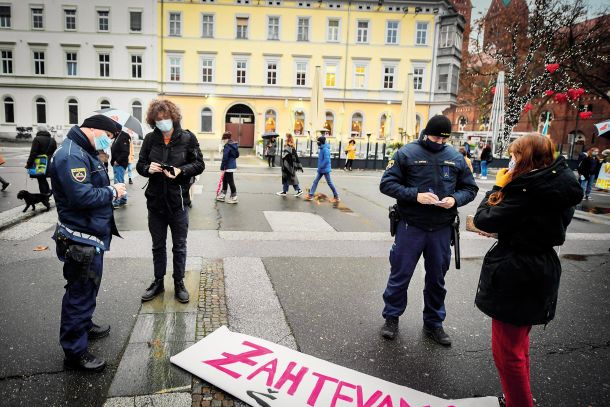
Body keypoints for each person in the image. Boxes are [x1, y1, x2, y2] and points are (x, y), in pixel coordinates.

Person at [473, 134, 582, 407]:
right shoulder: (557, 185)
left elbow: (483, 217)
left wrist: (497, 187)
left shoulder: (527, 189)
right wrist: (508, 228)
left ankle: (519, 403)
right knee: (519, 345)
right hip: (540, 265)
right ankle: (517, 397)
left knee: (506, 352)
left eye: (515, 155)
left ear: (527, 158)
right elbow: (535, 223)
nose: (511, 160)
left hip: (518, 271)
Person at [379, 115, 478, 345]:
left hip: (441, 228)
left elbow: (470, 188)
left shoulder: (455, 157)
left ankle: (434, 324)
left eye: (444, 139)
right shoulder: (406, 153)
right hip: (410, 225)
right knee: (400, 275)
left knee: (437, 279)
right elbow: (387, 184)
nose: (439, 143)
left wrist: (454, 199)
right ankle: (391, 319)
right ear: (426, 133)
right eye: (435, 137)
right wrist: (416, 196)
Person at [49, 114, 126, 372]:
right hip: (80, 237)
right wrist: (113, 191)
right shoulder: (71, 155)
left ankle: (84, 325)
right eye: (108, 137)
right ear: (94, 130)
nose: (109, 142)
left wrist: (103, 161)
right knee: (79, 294)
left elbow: (90, 183)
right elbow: (81, 197)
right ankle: (75, 353)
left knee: (87, 287)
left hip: (90, 234)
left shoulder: (84, 150)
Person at [137, 99, 204, 304]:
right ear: (153, 121)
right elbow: (140, 164)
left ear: (173, 118)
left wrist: (181, 171)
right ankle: (158, 282)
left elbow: (199, 164)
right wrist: (147, 169)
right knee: (158, 246)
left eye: (166, 118)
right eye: (158, 119)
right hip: (155, 203)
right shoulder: (150, 139)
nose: (163, 122)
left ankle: (179, 283)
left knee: (179, 246)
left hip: (178, 203)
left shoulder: (187, 138)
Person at [304, 135, 340, 203]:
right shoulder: (322, 148)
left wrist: (320, 166)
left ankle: (336, 197)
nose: (317, 143)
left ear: (321, 142)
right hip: (321, 169)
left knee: (329, 183)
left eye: (318, 141)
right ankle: (310, 195)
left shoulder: (325, 149)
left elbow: (327, 160)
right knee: (315, 181)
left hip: (325, 169)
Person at [25, 125, 57, 195]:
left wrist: (28, 164)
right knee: (46, 179)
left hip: (40, 163)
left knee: (41, 179)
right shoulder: (52, 139)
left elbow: (33, 153)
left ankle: (45, 196)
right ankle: (48, 193)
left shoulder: (37, 139)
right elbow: (55, 153)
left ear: (38, 131)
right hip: (49, 163)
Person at [217, 132, 239, 204]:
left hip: (227, 166)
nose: (223, 141)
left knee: (230, 181)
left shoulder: (227, 146)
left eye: (224, 139)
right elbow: (237, 155)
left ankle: (234, 197)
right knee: (225, 180)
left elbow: (225, 158)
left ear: (226, 139)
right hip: (232, 165)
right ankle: (223, 195)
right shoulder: (234, 145)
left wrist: (222, 167)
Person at [110, 130, 131, 207]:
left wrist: (117, 161)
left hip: (119, 164)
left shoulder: (123, 137)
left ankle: (117, 202)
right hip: (117, 163)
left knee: (118, 183)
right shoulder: (118, 137)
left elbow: (125, 152)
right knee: (120, 182)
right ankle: (123, 200)